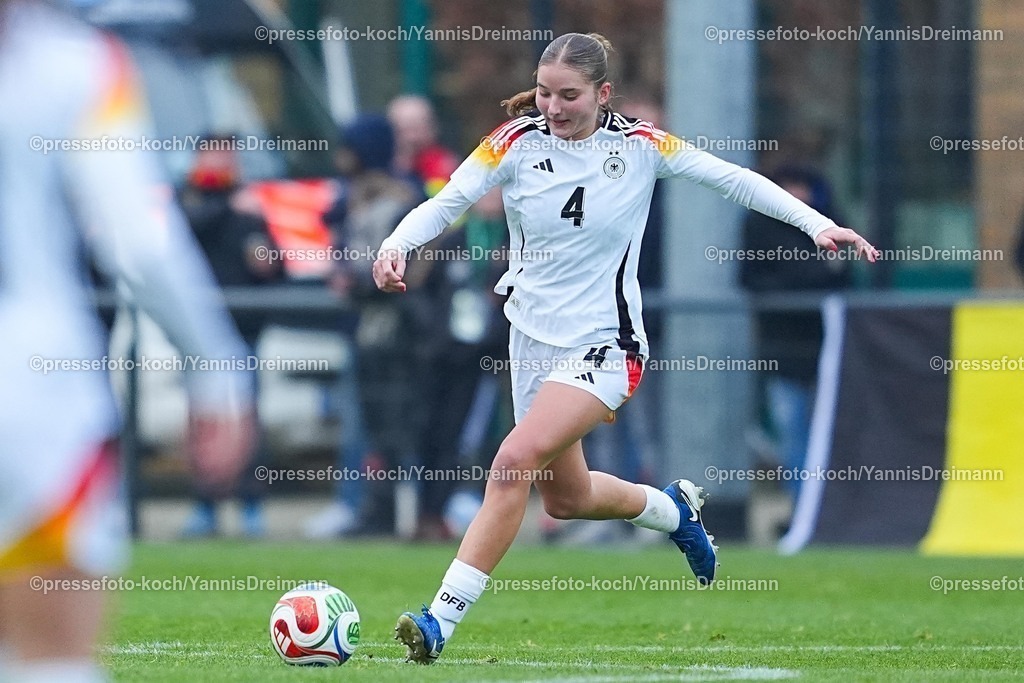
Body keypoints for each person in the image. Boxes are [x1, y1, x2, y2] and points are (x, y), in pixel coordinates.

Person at [372, 32, 878, 664]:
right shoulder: (512, 144)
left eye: (568, 96)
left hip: (605, 344)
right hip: (531, 341)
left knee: (510, 463)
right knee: (567, 498)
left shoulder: (640, 147)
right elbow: (447, 202)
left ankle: (439, 621)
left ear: (602, 93)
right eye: (545, 93)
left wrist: (818, 225)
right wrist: (397, 243)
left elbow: (734, 180)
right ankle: (672, 509)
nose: (552, 108)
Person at [0, 2, 254, 680]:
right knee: (49, 658)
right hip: (28, 391)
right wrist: (216, 367)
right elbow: (140, 238)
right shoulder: (75, 63)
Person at [178, 135, 280, 538]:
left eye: (229, 154)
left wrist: (266, 261)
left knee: (247, 417)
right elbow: (186, 232)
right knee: (203, 419)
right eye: (216, 152)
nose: (224, 161)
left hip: (244, 332)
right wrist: (228, 206)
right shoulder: (187, 197)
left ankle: (251, 505)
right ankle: (205, 504)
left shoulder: (251, 205)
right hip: (199, 335)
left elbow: (274, 262)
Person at [739, 166, 851, 495]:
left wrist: (809, 273)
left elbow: (841, 276)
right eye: (790, 185)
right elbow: (753, 280)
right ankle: (801, 505)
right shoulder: (761, 226)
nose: (799, 195)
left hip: (827, 350)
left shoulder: (830, 222)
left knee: (827, 431)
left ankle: (826, 508)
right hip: (782, 352)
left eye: (804, 185)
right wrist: (809, 274)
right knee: (791, 431)